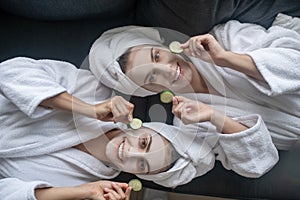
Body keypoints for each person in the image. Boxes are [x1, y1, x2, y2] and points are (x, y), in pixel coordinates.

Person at [0, 55, 278, 200]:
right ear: (139, 127)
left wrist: (80, 193)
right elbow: (11, 72)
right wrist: (85, 109)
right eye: (144, 143)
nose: (130, 154)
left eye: (142, 166)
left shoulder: (87, 184)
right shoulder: (96, 92)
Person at [88, 13, 300, 151]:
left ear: (161, 45)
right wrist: (215, 116)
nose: (167, 70)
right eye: (151, 77)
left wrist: (226, 59)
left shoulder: (222, 38)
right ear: (148, 91)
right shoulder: (188, 120)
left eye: (156, 57)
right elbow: (257, 163)